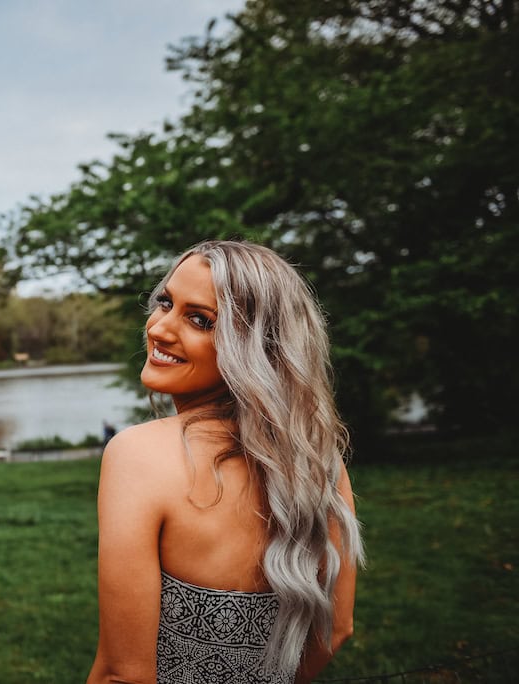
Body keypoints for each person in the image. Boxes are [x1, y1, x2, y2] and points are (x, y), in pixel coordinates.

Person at [87, 240, 363, 684]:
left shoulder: (137, 455)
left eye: (200, 320)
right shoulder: (318, 463)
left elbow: (123, 674)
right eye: (165, 302)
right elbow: (336, 629)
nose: (159, 328)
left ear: (255, 347)